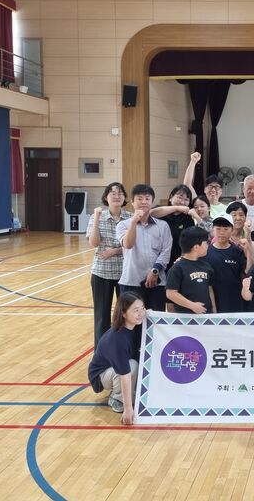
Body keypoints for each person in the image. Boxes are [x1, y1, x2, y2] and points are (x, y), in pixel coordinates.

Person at [87, 291, 145, 425]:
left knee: (133, 365)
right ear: (123, 313)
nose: (141, 313)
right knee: (132, 365)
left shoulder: (133, 327)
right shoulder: (118, 339)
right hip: (101, 375)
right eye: (136, 310)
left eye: (142, 308)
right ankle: (117, 398)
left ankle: (126, 394)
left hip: (114, 369)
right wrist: (128, 409)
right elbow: (124, 375)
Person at [86, 182, 131, 348]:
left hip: (125, 273)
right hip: (101, 273)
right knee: (101, 316)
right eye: (113, 193)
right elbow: (94, 243)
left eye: (120, 193)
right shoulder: (97, 217)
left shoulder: (131, 218)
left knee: (126, 315)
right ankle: (101, 353)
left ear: (125, 197)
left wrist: (114, 251)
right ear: (106, 197)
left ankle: (124, 349)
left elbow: (133, 244)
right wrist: (96, 217)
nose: (117, 196)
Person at [116, 184, 172, 312]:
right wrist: (133, 222)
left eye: (147, 198)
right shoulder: (123, 225)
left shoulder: (163, 226)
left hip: (157, 282)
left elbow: (166, 251)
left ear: (152, 202)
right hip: (131, 282)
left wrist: (155, 270)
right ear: (132, 202)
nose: (144, 202)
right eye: (139, 198)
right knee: (131, 319)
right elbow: (128, 245)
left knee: (156, 320)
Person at [205, 214, 254, 313]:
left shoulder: (237, 251)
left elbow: (249, 270)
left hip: (235, 301)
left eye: (226, 229)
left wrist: (248, 250)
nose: (222, 232)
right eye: (218, 229)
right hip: (213, 300)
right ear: (212, 230)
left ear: (232, 230)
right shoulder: (205, 251)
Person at [165, 226, 216, 314]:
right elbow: (171, 293)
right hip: (185, 317)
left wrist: (214, 310)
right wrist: (192, 305)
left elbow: (209, 289)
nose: (208, 245)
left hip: (206, 316)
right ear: (196, 247)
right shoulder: (177, 268)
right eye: (206, 243)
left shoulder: (207, 266)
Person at [149, 184, 195, 272]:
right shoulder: (161, 211)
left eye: (186, 199)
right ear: (171, 197)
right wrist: (176, 208)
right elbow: (151, 213)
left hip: (177, 261)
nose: (182, 202)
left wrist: (182, 260)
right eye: (180, 197)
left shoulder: (188, 219)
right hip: (156, 260)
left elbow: (188, 242)